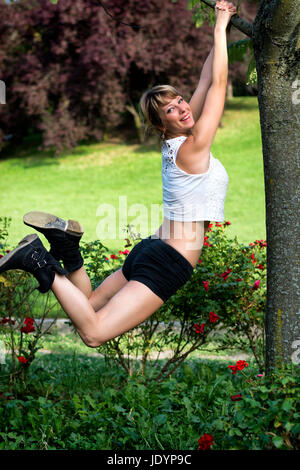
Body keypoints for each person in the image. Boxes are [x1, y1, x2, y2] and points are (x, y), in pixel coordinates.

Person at [0, 1, 236, 348]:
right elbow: (217, 84)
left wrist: (224, 26)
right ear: (161, 123)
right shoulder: (193, 148)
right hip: (169, 261)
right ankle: (36, 259)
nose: (184, 108)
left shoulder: (174, 146)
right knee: (93, 333)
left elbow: (204, 78)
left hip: (153, 249)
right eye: (172, 109)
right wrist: (218, 27)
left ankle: (67, 248)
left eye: (181, 101)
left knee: (88, 304)